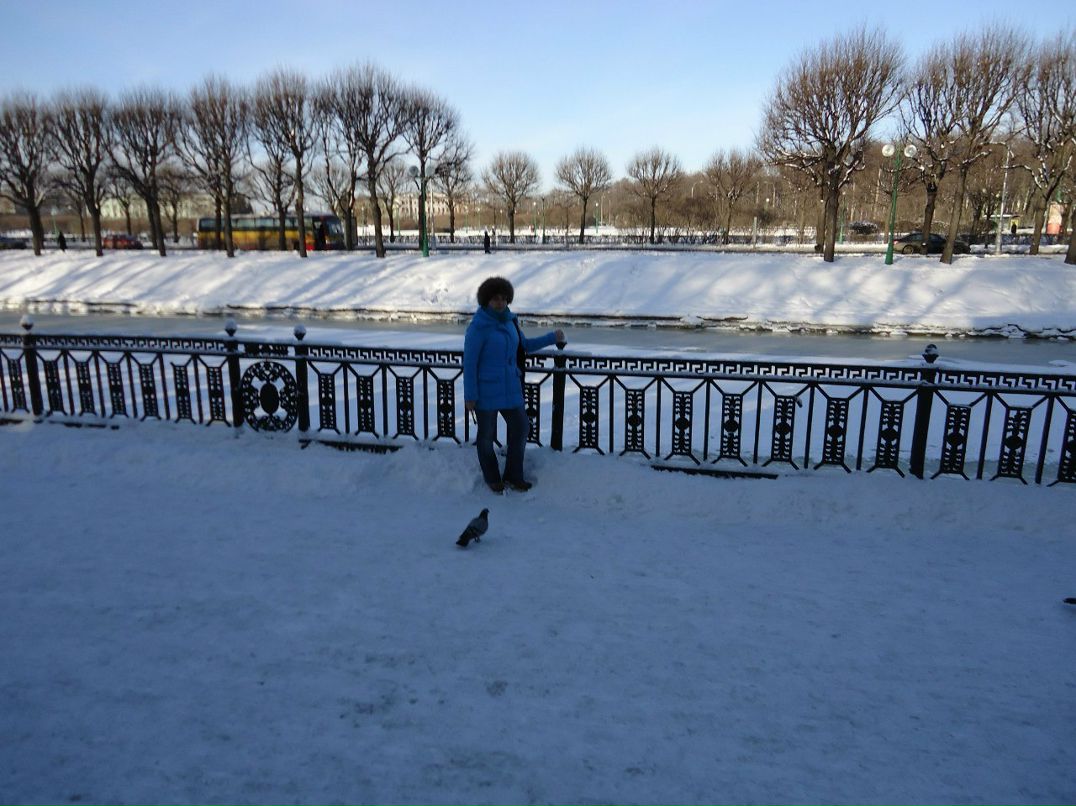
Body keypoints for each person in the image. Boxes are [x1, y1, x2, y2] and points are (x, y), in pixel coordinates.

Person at [464, 276, 564, 493]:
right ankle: (492, 478)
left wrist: (552, 337)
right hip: (486, 390)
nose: (500, 303)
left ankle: (513, 475)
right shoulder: (478, 327)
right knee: (486, 437)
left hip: (511, 387)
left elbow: (525, 345)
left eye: (503, 299)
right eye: (495, 299)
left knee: (520, 427)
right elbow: (470, 363)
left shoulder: (510, 321)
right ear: (486, 301)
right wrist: (470, 395)